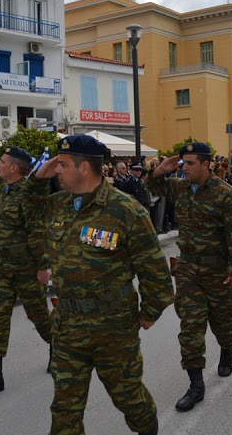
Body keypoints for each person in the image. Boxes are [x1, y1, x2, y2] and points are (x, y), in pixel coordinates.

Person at [30, 135, 173, 435]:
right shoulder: (57, 205)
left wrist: (148, 313)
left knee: (129, 399)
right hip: (68, 326)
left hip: (114, 330)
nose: (56, 169)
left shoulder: (125, 210)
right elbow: (19, 212)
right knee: (65, 411)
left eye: (63, 164)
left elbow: (155, 272)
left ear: (84, 168)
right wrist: (34, 181)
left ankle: (148, 427)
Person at [147, 142, 232, 412]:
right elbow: (154, 187)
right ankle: (196, 385)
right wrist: (160, 169)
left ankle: (227, 348)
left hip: (218, 272)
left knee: (223, 322)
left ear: (206, 165)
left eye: (190, 164)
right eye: (183, 164)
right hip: (188, 270)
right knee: (190, 328)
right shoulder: (180, 187)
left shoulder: (225, 195)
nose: (184, 169)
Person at [0, 146, 52, 395]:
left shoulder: (29, 194)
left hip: (27, 268)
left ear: (14, 168)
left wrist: (43, 267)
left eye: (2, 162)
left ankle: (57, 347)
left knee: (39, 316)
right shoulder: (4, 188)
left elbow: (38, 232)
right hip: (3, 267)